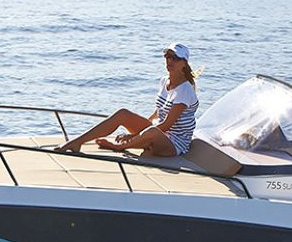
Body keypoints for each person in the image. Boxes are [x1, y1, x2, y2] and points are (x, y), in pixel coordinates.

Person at [56, 43, 199, 157]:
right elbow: (159, 111)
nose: (170, 60)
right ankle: (77, 142)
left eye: (175, 58)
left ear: (184, 63)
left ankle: (119, 147)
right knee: (123, 114)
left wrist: (134, 135)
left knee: (152, 131)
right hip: (159, 134)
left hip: (174, 144)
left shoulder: (185, 90)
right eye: (167, 56)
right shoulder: (164, 81)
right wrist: (143, 126)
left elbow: (167, 125)